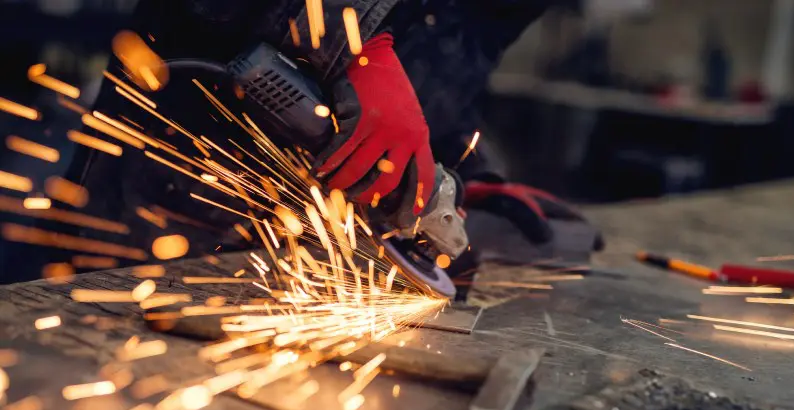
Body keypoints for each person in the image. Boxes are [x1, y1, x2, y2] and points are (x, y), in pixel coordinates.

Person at [67, 0, 591, 263]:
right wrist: (352, 38)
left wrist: (451, 161)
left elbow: (447, 44)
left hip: (321, 241)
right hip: (178, 180)